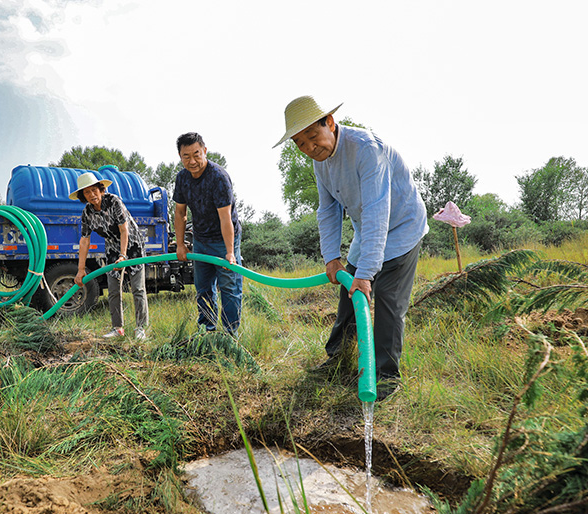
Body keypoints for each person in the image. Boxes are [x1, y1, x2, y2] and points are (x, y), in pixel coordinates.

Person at [274, 96, 428, 399]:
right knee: (349, 293)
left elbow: (376, 209)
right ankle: (338, 359)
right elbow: (328, 210)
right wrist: (332, 257)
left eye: (312, 136)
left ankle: (385, 376)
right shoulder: (320, 163)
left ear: (329, 122)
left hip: (401, 225)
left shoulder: (366, 150)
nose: (309, 147)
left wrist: (367, 272)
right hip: (368, 229)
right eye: (300, 144)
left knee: (386, 300)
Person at [173, 132, 243, 335]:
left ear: (205, 150)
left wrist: (230, 252)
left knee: (229, 289)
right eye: (186, 156)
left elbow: (225, 218)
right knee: (203, 288)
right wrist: (180, 244)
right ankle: (207, 331)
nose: (192, 161)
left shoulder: (218, 177)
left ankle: (230, 336)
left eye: (196, 154)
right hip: (201, 239)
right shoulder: (182, 178)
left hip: (224, 239)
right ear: (180, 156)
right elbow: (180, 213)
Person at [71, 172, 149, 339]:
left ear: (101, 189)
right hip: (112, 248)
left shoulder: (114, 201)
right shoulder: (87, 213)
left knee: (138, 288)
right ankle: (117, 329)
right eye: (87, 192)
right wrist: (80, 269)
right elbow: (84, 240)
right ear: (83, 196)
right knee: (113, 289)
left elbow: (123, 229)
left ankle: (141, 329)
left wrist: (124, 255)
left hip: (132, 244)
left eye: (94, 190)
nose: (92, 195)